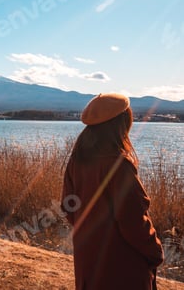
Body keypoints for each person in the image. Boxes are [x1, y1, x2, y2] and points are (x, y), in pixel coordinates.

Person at [61, 93, 164, 290]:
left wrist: (90, 234)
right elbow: (133, 221)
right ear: (121, 124)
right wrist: (155, 251)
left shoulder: (78, 159)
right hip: (122, 267)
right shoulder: (118, 165)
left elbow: (67, 206)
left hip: (88, 261)